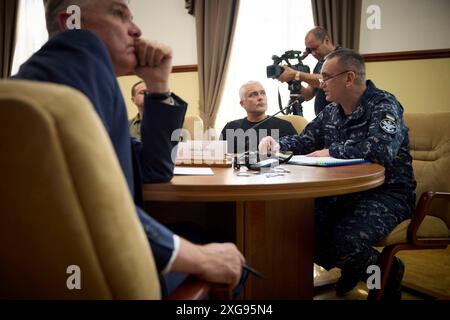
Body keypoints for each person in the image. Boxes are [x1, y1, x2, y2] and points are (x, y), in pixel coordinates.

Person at [14, 0, 245, 297]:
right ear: (69, 21)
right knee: (232, 260)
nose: (136, 30)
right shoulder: (77, 55)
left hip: (50, 269)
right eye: (118, 14)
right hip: (94, 275)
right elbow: (95, 208)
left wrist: (158, 84)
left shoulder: (53, 80)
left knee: (198, 232)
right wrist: (199, 258)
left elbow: (154, 170)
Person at [259, 49, 416, 299]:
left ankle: (387, 271)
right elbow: (306, 140)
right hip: (344, 192)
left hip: (388, 194)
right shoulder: (332, 111)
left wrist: (331, 150)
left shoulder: (384, 105)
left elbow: (381, 150)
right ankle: (354, 267)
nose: (320, 84)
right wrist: (278, 145)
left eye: (325, 77)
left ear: (349, 77)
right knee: (299, 229)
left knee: (345, 242)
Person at [277, 27, 341, 116]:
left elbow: (328, 80)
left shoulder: (343, 57)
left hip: (340, 120)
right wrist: (291, 80)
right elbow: (307, 95)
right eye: (310, 50)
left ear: (327, 40)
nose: (313, 53)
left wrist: (296, 74)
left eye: (315, 48)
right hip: (323, 120)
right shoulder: (319, 64)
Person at [220, 81, 297, 154]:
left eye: (263, 93)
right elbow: (219, 158)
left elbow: (297, 155)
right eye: (253, 94)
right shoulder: (230, 128)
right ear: (242, 104)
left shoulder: (285, 127)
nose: (260, 97)